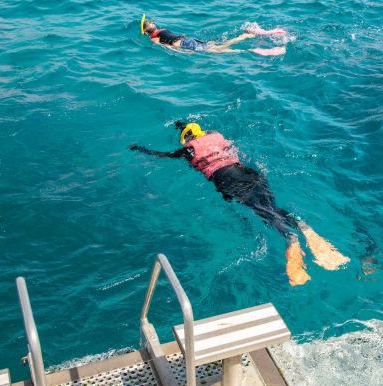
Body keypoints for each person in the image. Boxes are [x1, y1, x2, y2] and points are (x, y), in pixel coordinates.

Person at [129, 122, 350, 285]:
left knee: (264, 213)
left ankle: (291, 238)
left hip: (229, 180)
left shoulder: (189, 149)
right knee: (272, 206)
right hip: (249, 173)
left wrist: (142, 150)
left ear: (187, 139)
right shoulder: (216, 135)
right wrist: (182, 124)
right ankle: (305, 227)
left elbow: (166, 155)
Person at [139, 15, 285, 56]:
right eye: (150, 24)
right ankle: (246, 49)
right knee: (217, 49)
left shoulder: (154, 38)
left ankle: (244, 37)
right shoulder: (161, 31)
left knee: (217, 49)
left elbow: (166, 47)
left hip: (184, 44)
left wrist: (180, 52)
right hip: (187, 39)